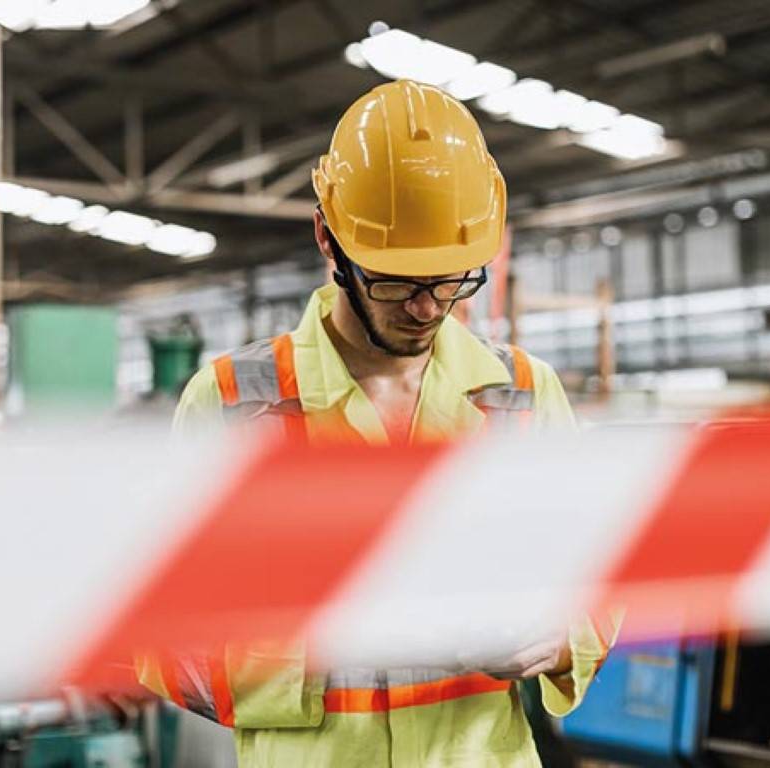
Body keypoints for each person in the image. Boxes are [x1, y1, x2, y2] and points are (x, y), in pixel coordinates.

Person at [139, 79, 619, 767]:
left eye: (453, 279)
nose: (428, 309)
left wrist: (558, 637)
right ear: (327, 242)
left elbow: (611, 572)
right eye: (395, 282)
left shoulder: (521, 395)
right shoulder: (231, 407)